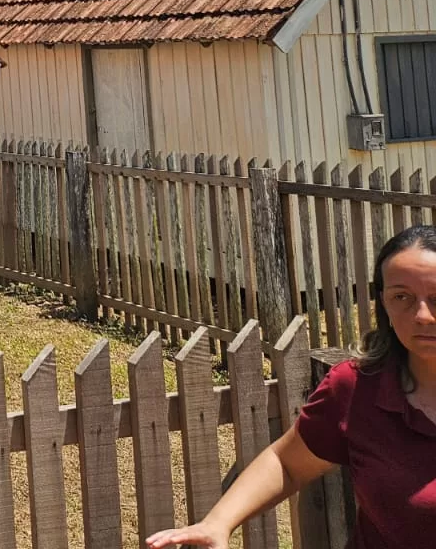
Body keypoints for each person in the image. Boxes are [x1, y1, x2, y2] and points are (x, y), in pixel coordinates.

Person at [147, 223, 436, 548]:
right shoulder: (357, 389)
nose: (422, 315)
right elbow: (286, 462)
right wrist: (218, 523)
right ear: (384, 303)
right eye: (403, 297)